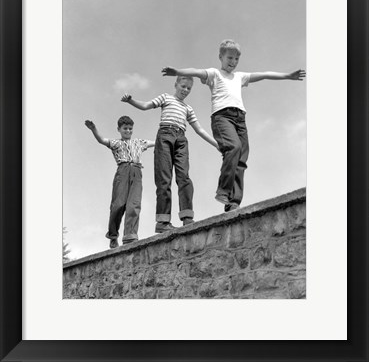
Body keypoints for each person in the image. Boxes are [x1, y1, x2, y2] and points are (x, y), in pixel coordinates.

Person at [162, 39, 306, 212]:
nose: (233, 62)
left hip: (240, 118)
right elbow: (196, 72)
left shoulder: (240, 77)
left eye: (236, 59)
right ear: (221, 57)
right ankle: (222, 190)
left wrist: (287, 76)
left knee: (242, 158)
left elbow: (264, 74)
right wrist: (177, 71)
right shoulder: (214, 74)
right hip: (222, 117)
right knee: (234, 147)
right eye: (229, 58)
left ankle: (233, 202)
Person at [121, 76, 219, 233]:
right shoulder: (165, 98)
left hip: (181, 139)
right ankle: (162, 222)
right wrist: (130, 100)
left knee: (184, 177)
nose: (185, 90)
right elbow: (146, 105)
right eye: (183, 86)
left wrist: (216, 144)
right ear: (176, 84)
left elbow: (199, 129)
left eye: (189, 88)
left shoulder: (188, 108)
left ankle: (187, 217)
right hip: (165, 136)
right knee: (164, 179)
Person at [85, 116, 155, 249]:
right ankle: (113, 235)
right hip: (122, 171)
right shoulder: (116, 143)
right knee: (118, 205)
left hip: (136, 171)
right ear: (119, 129)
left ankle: (130, 236)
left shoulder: (139, 142)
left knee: (134, 204)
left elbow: (155, 142)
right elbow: (102, 140)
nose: (128, 131)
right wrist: (94, 129)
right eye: (125, 129)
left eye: (130, 129)